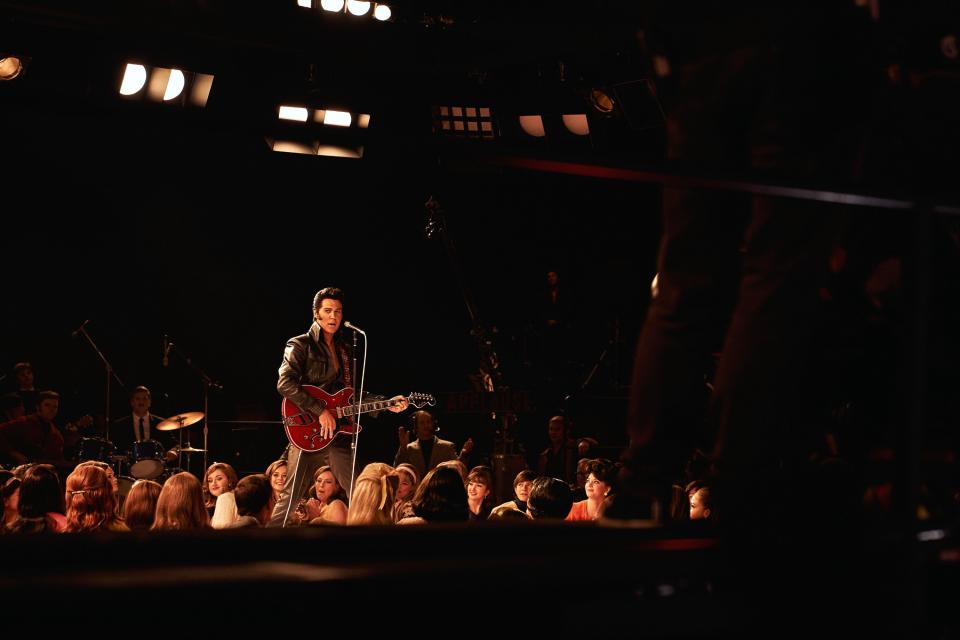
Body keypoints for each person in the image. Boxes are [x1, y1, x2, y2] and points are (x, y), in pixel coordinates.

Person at [269, 287, 408, 527]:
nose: (333, 316)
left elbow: (350, 395)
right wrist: (319, 411)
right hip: (309, 428)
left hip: (338, 432)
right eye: (328, 311)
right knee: (291, 495)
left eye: (338, 312)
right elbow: (284, 383)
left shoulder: (345, 348)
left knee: (358, 488)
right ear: (316, 314)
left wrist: (386, 403)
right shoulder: (300, 344)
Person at [109, 386, 177, 473]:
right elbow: (114, 449)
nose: (141, 402)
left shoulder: (161, 423)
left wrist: (173, 451)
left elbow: (175, 444)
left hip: (156, 470)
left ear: (149, 403)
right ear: (132, 402)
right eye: (138, 399)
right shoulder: (119, 425)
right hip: (129, 471)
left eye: (145, 398)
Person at [0, 391, 71, 472]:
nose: (52, 409)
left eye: (55, 407)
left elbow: (58, 459)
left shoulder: (56, 435)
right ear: (38, 407)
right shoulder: (24, 422)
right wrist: (14, 454)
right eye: (47, 405)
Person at [394, 410, 471, 483]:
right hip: (417, 492)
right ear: (416, 426)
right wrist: (403, 447)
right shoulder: (409, 448)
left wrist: (464, 453)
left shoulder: (447, 446)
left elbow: (458, 469)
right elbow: (398, 468)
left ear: (433, 424)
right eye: (422, 422)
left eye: (428, 422)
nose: (426, 425)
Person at [536, 415, 577, 486]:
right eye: (551, 429)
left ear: (566, 431)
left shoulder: (572, 449)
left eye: (557, 429)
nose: (553, 432)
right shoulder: (545, 454)